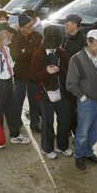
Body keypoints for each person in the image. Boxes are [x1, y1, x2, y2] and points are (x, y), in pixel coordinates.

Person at [66, 29, 97, 170]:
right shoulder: (77, 59)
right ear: (88, 41)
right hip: (87, 101)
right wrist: (82, 97)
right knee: (83, 131)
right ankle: (79, 155)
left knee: (96, 131)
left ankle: (88, 152)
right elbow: (71, 83)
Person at [31, 25, 70, 159]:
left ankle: (63, 145)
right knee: (47, 121)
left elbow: (68, 73)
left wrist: (59, 70)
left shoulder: (62, 53)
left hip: (62, 93)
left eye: (55, 44)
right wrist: (46, 71)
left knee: (64, 120)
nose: (53, 47)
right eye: (50, 44)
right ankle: (47, 148)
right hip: (45, 94)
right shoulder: (38, 54)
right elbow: (34, 77)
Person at [10, 13, 43, 133]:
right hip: (20, 76)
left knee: (35, 102)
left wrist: (25, 52)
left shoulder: (37, 36)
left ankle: (35, 123)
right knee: (18, 102)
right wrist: (31, 51)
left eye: (31, 26)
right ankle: (16, 124)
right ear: (21, 27)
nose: (31, 28)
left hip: (33, 76)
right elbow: (16, 55)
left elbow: (39, 53)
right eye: (28, 27)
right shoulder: (14, 37)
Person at [61, 13, 86, 137]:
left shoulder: (84, 40)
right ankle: (69, 129)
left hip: (78, 81)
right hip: (66, 79)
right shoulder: (65, 39)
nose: (65, 25)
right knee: (67, 108)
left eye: (67, 23)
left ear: (74, 24)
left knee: (78, 109)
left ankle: (78, 133)